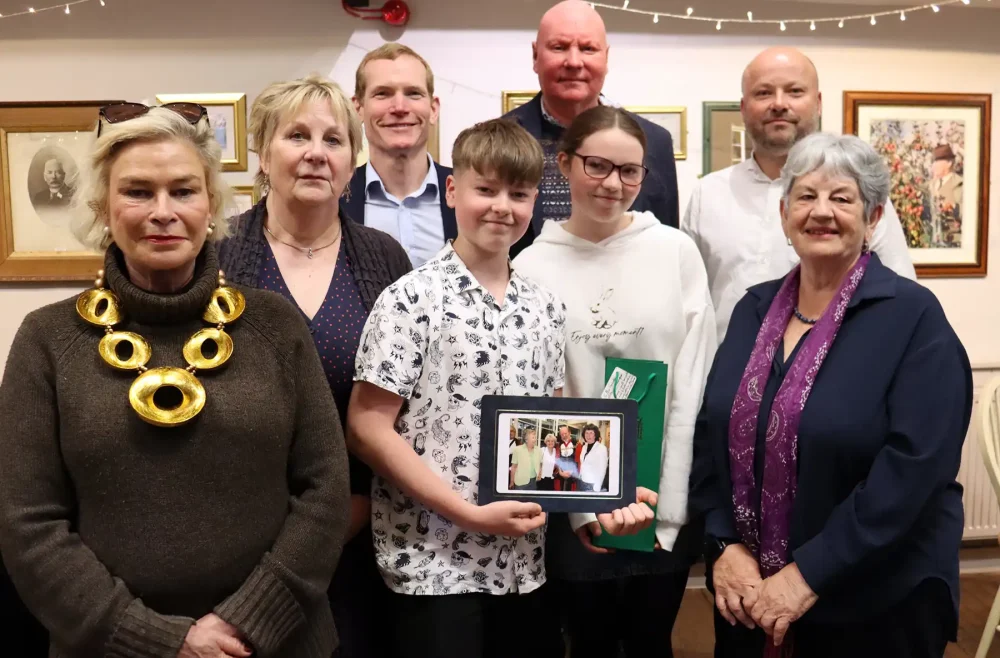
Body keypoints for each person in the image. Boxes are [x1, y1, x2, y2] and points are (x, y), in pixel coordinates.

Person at [0, 104, 350, 658]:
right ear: (102, 208)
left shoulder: (274, 326)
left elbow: (325, 490)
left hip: (277, 643)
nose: (163, 212)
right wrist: (162, 641)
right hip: (110, 647)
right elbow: (28, 523)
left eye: (183, 191)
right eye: (138, 192)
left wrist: (243, 624)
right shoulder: (47, 339)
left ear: (211, 204)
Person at [347, 117, 657, 658]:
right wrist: (465, 514)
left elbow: (551, 427)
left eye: (519, 194)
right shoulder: (410, 300)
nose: (502, 207)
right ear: (452, 190)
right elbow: (367, 426)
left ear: (536, 200)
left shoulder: (544, 306)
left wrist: (604, 497)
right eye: (485, 190)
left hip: (523, 565)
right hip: (434, 566)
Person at [688, 132, 972, 658]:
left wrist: (807, 573)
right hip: (748, 594)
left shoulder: (913, 317)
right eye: (806, 196)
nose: (822, 212)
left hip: (872, 599)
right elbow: (712, 434)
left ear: (874, 217)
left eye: (842, 198)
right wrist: (724, 544)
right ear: (784, 213)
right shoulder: (753, 308)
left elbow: (915, 469)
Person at [217, 73, 411, 658]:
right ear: (262, 153)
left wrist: (352, 510)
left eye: (333, 140)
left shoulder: (384, 258)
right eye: (296, 135)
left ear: (352, 161)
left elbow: (408, 402)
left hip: (359, 529)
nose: (315, 154)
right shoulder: (217, 255)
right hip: (241, 539)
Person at [513, 105, 716, 658]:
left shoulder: (675, 252)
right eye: (597, 166)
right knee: (591, 643)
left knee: (652, 641)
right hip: (573, 505)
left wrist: (666, 502)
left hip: (663, 496)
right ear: (564, 165)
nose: (613, 184)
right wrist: (585, 507)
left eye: (630, 171)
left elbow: (692, 378)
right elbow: (539, 393)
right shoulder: (531, 266)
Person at [681, 46, 916, 342]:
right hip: (725, 378)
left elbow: (899, 299)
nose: (779, 104)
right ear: (743, 107)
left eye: (794, 91)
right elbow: (688, 303)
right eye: (763, 93)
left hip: (833, 376)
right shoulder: (708, 194)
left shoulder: (858, 197)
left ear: (817, 103)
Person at [503, 0, 678, 257]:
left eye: (588, 49)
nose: (574, 62)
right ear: (535, 56)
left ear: (606, 58)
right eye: (559, 47)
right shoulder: (500, 140)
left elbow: (665, 243)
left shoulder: (655, 142)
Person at [345, 43, 456, 266]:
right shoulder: (333, 199)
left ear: (433, 109)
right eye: (383, 94)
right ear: (358, 109)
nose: (399, 107)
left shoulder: (470, 193)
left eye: (413, 93)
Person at [928, 143, 963, 246]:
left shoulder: (960, 184)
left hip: (953, 242)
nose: (933, 166)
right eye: (933, 162)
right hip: (932, 241)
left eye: (937, 161)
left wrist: (954, 207)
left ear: (948, 163)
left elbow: (971, 215)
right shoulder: (931, 185)